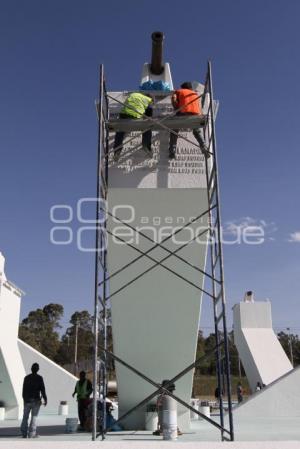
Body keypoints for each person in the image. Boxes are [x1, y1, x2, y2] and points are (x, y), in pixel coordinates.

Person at [169, 81, 209, 160]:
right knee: (196, 131)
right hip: (195, 114)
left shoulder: (179, 91)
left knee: (174, 129)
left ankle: (172, 150)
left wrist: (176, 108)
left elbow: (173, 99)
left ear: (183, 87)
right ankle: (204, 146)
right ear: (190, 88)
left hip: (183, 113)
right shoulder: (194, 94)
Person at [113, 92, 153, 161]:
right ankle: (146, 145)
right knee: (147, 127)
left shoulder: (133, 94)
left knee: (120, 131)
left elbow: (126, 103)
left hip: (123, 115)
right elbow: (149, 115)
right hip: (135, 116)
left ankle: (117, 150)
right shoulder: (149, 99)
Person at [20, 363, 47, 438]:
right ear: (38, 370)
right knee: (34, 417)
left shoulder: (26, 378)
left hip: (27, 400)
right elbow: (43, 390)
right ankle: (32, 433)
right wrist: (45, 399)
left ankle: (24, 433)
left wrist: (24, 399)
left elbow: (23, 390)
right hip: (36, 400)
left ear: (31, 369)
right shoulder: (39, 378)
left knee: (25, 417)